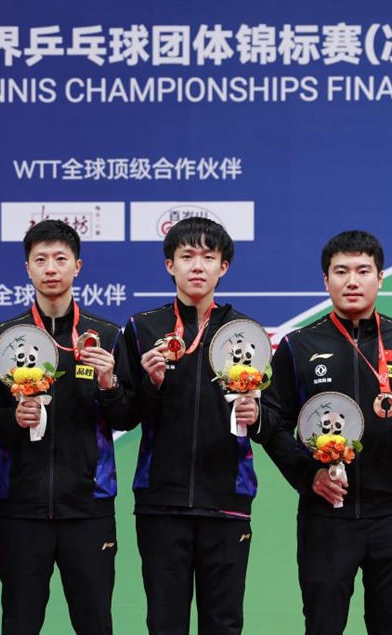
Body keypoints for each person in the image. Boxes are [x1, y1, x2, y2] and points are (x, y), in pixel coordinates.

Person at [261, 230, 392, 635]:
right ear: (325, 280)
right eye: (341, 271)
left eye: (363, 270)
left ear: (380, 278)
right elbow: (273, 424)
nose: (352, 280)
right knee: (322, 626)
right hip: (326, 516)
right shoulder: (298, 346)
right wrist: (308, 475)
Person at [0, 219, 131, 635]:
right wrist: (13, 420)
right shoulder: (4, 338)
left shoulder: (107, 336)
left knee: (95, 623)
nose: (50, 268)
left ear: (77, 266)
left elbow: (126, 417)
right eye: (40, 259)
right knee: (20, 624)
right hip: (23, 509)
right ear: (27, 268)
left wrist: (109, 384)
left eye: (60, 259)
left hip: (89, 508)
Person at [121, 217, 267, 634]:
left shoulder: (246, 333)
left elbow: (267, 417)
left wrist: (257, 416)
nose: (197, 266)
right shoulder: (143, 328)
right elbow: (124, 414)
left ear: (224, 267)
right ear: (170, 265)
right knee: (165, 624)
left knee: (223, 624)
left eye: (208, 257)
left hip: (227, 500)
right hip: (161, 503)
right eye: (187, 257)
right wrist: (150, 384)